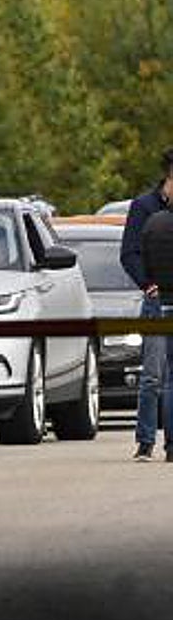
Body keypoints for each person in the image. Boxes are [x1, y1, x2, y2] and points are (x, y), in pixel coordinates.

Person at [120, 150, 173, 460]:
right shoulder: (143, 207)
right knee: (153, 374)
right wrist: (146, 283)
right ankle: (145, 440)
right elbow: (129, 252)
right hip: (156, 298)